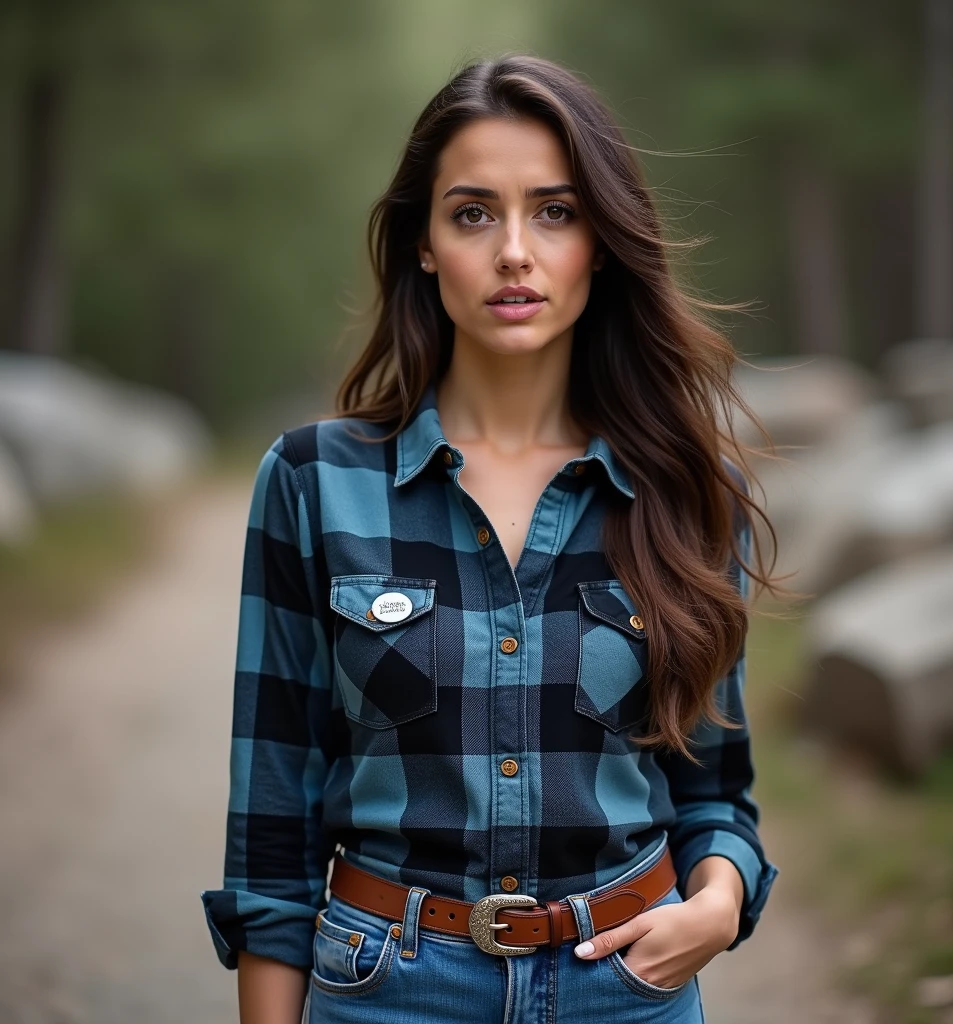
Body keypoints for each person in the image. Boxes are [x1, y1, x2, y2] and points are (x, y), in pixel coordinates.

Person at [201, 52, 781, 1024]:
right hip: (387, 986)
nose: (514, 249)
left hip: (627, 989)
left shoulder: (687, 491)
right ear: (423, 243)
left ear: (600, 239)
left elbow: (714, 788)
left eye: (554, 211)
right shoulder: (314, 482)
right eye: (473, 212)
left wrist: (718, 900)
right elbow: (272, 821)